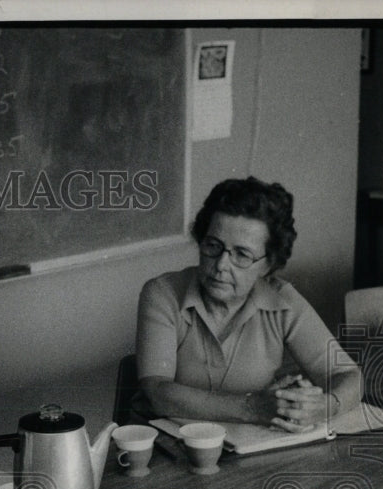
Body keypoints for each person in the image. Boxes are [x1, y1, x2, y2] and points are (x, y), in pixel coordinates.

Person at [136, 176, 362, 432]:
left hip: (247, 448)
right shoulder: (162, 294)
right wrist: (253, 408)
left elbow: (349, 376)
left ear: (268, 264)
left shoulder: (283, 301)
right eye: (213, 246)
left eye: (242, 254)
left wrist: (324, 406)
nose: (221, 265)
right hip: (169, 445)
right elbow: (157, 392)